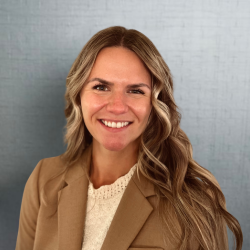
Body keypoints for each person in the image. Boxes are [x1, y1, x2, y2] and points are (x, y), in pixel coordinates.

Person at [15, 26, 243, 250]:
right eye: (101, 87)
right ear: (79, 95)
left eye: (136, 91)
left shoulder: (194, 202)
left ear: (155, 104)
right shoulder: (43, 181)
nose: (117, 107)